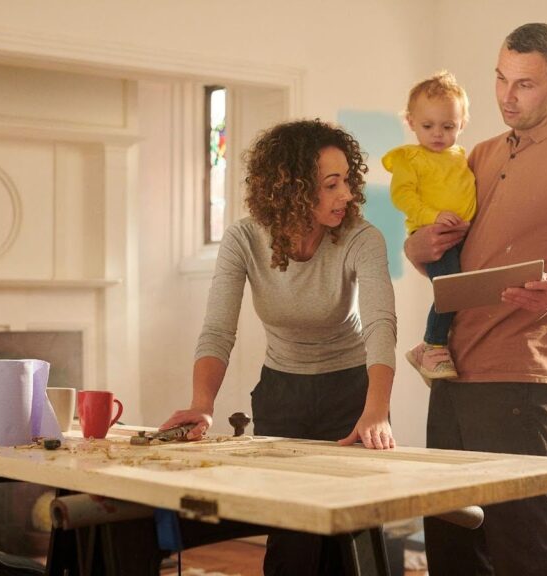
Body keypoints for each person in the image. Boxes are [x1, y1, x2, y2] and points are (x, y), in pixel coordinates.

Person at [404, 23, 547, 576]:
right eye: (500, 79)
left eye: (524, 84)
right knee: (450, 538)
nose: (506, 95)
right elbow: (438, 257)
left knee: (520, 537)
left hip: (518, 377)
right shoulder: (475, 153)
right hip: (450, 371)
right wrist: (418, 245)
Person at [161, 119, 397, 575]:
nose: (346, 194)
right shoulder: (244, 239)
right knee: (292, 546)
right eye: (332, 184)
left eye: (347, 180)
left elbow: (380, 325)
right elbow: (217, 330)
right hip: (281, 394)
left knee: (356, 542)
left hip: (351, 393)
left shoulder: (362, 238)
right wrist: (202, 404)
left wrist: (378, 410)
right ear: (291, 189)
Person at [382, 71, 477, 382]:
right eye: (428, 126)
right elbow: (402, 196)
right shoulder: (409, 158)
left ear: (462, 123)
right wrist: (432, 216)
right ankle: (432, 344)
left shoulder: (461, 156)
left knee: (463, 290)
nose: (438, 133)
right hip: (432, 233)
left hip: (462, 234)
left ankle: (437, 345)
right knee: (451, 289)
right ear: (410, 122)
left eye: (448, 126)